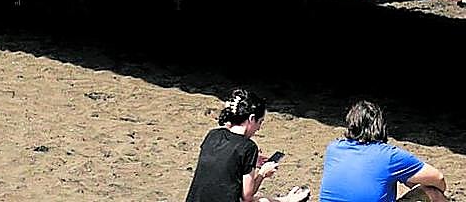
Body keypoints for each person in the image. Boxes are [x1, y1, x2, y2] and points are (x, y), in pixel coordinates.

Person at [184, 89, 309, 202]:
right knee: (261, 201)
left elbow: (221, 164)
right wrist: (262, 174)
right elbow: (247, 196)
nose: (259, 128)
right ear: (251, 118)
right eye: (259, 122)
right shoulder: (248, 147)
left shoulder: (213, 135)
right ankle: (288, 201)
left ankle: (287, 200)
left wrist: (250, 163)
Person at [318, 100, 449, 202]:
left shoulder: (333, 149)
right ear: (380, 127)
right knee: (432, 193)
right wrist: (438, 190)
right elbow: (438, 178)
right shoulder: (389, 156)